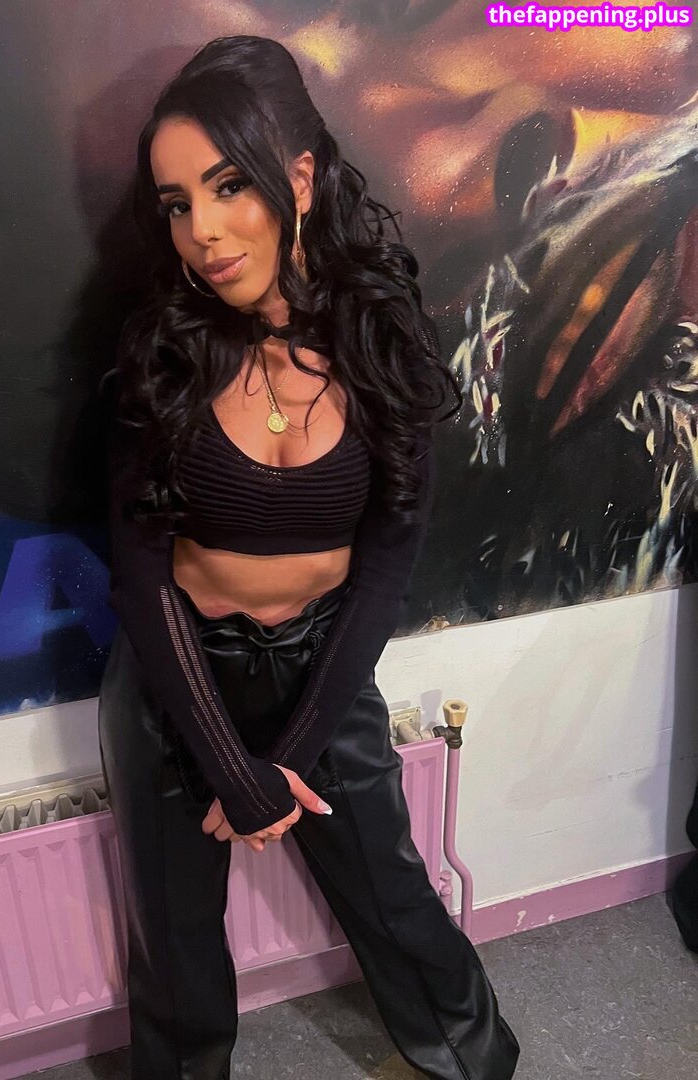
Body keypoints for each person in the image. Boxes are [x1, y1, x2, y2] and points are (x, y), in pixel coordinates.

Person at [97, 34, 520, 1080]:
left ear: (297, 177)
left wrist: (287, 758)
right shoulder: (163, 349)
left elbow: (387, 564)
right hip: (176, 678)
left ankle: (474, 1065)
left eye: (227, 186)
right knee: (175, 946)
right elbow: (140, 574)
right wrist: (227, 765)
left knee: (396, 899)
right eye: (176, 203)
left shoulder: (384, 340)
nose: (201, 231)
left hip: (323, 667)